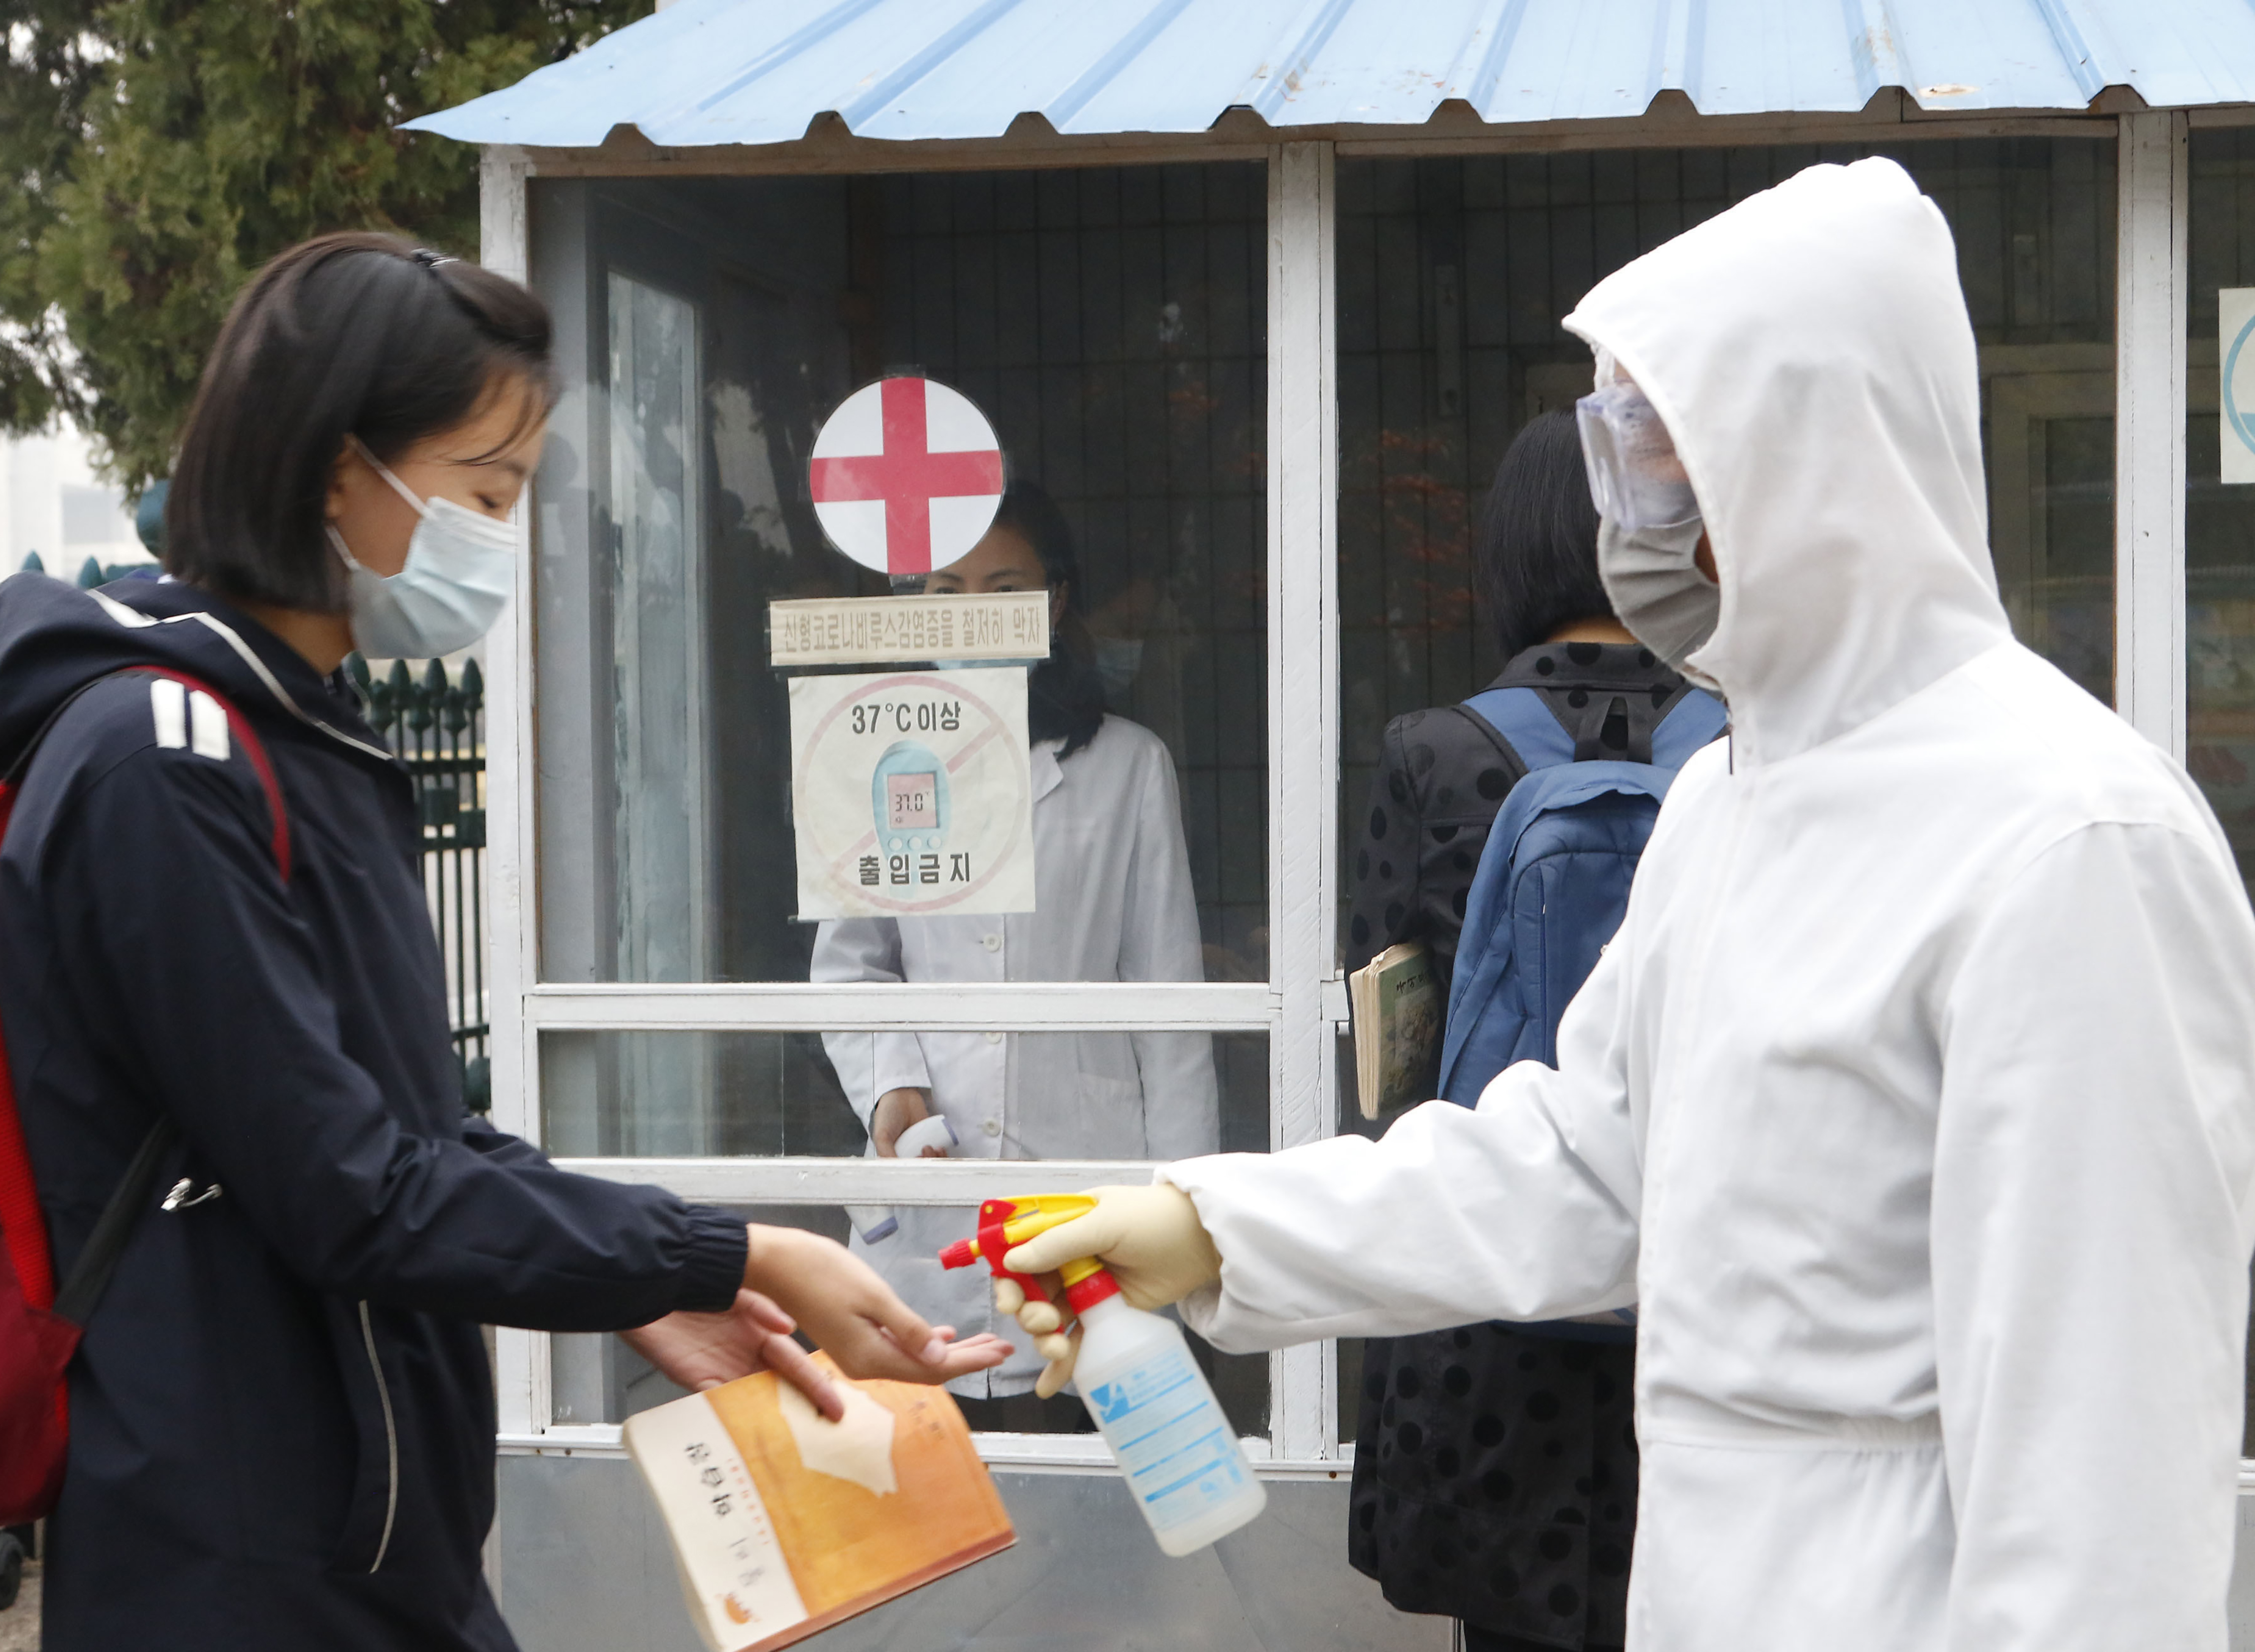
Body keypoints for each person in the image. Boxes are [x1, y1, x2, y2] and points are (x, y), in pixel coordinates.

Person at [998, 158, 2255, 1649]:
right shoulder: (1729, 796)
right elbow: (1585, 1166)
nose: (1626, 499)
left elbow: (2103, 1479)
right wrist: (1216, 1225)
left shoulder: (2066, 834)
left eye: (1662, 445)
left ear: (1815, 456)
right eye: (1616, 439)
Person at [0, 232, 1006, 1651]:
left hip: (366, 1535)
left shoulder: (303, 739)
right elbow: (352, 1189)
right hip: (233, 1563)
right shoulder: (160, 762)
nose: (505, 536)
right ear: (336, 472)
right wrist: (719, 1247)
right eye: (484, 489)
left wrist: (661, 1287)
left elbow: (416, 1133)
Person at [1346, 409, 1707, 1652]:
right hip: (1702, 1285)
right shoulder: (1750, 748)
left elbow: (1390, 1057)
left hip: (1494, 1301)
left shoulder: (1434, 755)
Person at [811, 480, 1218, 1426]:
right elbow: (851, 963)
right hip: (928, 1189)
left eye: (1003, 588)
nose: (972, 615)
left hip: (1086, 1182)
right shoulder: (873, 756)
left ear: (1056, 602)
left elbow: (1170, 1003)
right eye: (944, 591)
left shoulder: (1127, 765)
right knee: (929, 1500)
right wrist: (890, 1088)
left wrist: (1184, 1209)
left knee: (1094, 1491)